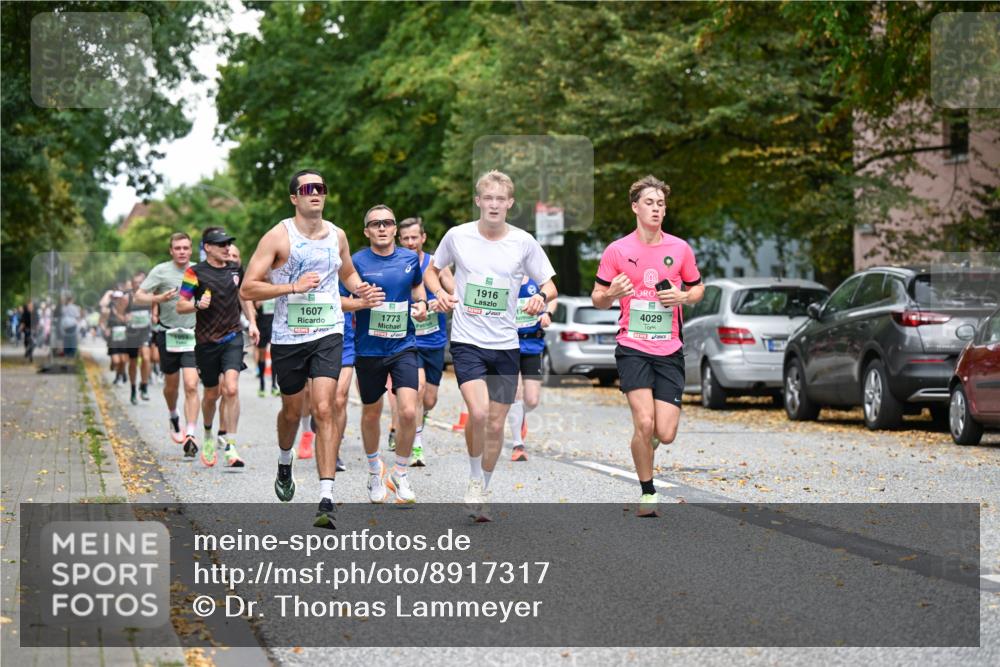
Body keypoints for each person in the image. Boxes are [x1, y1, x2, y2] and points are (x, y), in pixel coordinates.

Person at [240, 169, 382, 528]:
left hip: (328, 331)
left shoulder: (337, 235)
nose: (315, 193)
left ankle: (326, 497)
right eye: (307, 189)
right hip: (289, 337)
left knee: (325, 406)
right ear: (295, 198)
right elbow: (248, 289)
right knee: (292, 411)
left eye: (321, 188)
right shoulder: (278, 237)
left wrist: (360, 289)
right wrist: (292, 288)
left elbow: (347, 274)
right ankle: (285, 460)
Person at [424, 170, 557, 521]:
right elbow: (432, 269)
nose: (494, 204)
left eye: (501, 199)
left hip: (505, 345)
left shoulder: (523, 242)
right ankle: (472, 477)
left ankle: (483, 484)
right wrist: (440, 293)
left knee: (497, 425)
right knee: (479, 414)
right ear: (478, 201)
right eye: (489, 197)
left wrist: (540, 298)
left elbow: (550, 285)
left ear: (510, 203)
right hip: (468, 340)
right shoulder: (458, 236)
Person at [591, 175, 704, 518]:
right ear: (635, 207)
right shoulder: (618, 251)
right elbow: (597, 298)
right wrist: (611, 293)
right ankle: (648, 491)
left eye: (661, 204)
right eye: (650, 203)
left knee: (664, 432)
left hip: (669, 347)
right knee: (643, 421)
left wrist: (684, 295)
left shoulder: (680, 249)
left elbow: (699, 289)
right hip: (632, 346)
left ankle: (650, 440)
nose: (656, 209)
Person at [350, 205, 428, 506]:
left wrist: (421, 305)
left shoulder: (410, 259)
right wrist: (359, 303)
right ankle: (373, 470)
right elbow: (342, 297)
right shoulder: (356, 261)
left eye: (387, 223)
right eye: (375, 224)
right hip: (368, 349)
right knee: (371, 412)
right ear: (367, 231)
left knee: (408, 410)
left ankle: (400, 471)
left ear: (395, 229)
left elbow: (418, 287)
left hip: (402, 346)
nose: (382, 228)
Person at [178, 227, 258, 469]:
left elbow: (244, 296)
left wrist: (252, 322)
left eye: (228, 244)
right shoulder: (195, 272)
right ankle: (208, 434)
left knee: (231, 389)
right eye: (221, 244)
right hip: (206, 343)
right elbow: (181, 305)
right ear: (208, 248)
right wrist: (197, 305)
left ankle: (231, 446)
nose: (226, 248)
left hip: (232, 337)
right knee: (212, 394)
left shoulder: (235, 269)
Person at [135, 232, 202, 456]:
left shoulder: (198, 270)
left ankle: (191, 434)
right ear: (171, 251)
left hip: (192, 334)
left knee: (191, 384)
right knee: (171, 386)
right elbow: (138, 296)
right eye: (177, 248)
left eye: (185, 247)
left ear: (191, 250)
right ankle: (174, 415)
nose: (182, 251)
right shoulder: (161, 271)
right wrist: (158, 299)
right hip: (168, 334)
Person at [397, 217, 454, 466]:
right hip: (409, 341)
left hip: (434, 340)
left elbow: (455, 295)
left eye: (414, 237)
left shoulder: (435, 264)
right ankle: (417, 446)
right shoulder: (396, 264)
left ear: (423, 238)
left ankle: (420, 420)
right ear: (400, 240)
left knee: (429, 399)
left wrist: (442, 302)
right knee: (417, 389)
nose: (410, 242)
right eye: (405, 238)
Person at [507, 276, 557, 461]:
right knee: (515, 392)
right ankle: (518, 445)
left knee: (532, 399)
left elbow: (554, 298)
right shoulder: (506, 275)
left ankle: (518, 414)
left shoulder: (538, 278)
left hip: (533, 344)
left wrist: (548, 313)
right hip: (509, 343)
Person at [125, 270, 153, 404]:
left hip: (145, 330)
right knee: (133, 362)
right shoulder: (127, 297)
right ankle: (133, 389)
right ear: (132, 284)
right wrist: (125, 318)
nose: (138, 285)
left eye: (140, 282)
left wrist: (154, 316)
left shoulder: (149, 295)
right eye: (135, 283)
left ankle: (144, 385)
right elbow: (119, 314)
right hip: (132, 332)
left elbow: (155, 307)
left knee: (146, 357)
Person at [254, 298, 279, 397]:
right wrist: (258, 303)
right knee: (262, 355)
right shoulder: (260, 288)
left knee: (275, 356)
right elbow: (253, 305)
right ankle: (262, 385)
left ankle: (274, 385)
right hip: (262, 325)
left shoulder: (277, 286)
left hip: (275, 325)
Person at [59, 293, 82, 358]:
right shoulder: (74, 307)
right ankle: (71, 353)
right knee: (72, 340)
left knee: (66, 339)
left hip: (65, 325)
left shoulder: (64, 307)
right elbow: (78, 317)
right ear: (72, 300)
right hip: (72, 324)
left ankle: (66, 353)